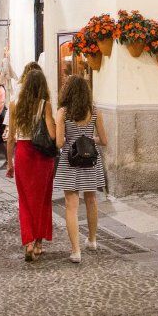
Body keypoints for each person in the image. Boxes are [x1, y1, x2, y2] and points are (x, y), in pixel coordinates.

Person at [54, 75, 107, 264]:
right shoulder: (94, 112)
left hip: (70, 160)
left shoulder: (63, 113)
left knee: (71, 206)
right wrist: (89, 140)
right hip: (91, 159)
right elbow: (104, 140)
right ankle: (92, 240)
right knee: (91, 200)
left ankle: (76, 251)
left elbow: (60, 142)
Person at [6, 67, 57, 261]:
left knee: (25, 201)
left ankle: (28, 242)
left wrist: (10, 162)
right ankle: (38, 244)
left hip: (23, 153)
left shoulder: (14, 104)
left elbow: (11, 137)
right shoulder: (45, 105)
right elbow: (52, 135)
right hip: (42, 156)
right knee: (43, 199)